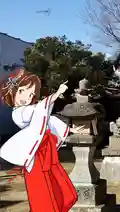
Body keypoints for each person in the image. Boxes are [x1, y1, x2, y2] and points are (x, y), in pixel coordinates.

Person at [0, 68, 77, 212]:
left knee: (61, 189)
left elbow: (48, 119)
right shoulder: (18, 113)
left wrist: (71, 130)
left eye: (32, 94)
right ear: (13, 93)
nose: (29, 98)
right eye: (24, 92)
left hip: (46, 153)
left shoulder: (33, 109)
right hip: (35, 157)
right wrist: (58, 93)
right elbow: (40, 109)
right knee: (42, 191)